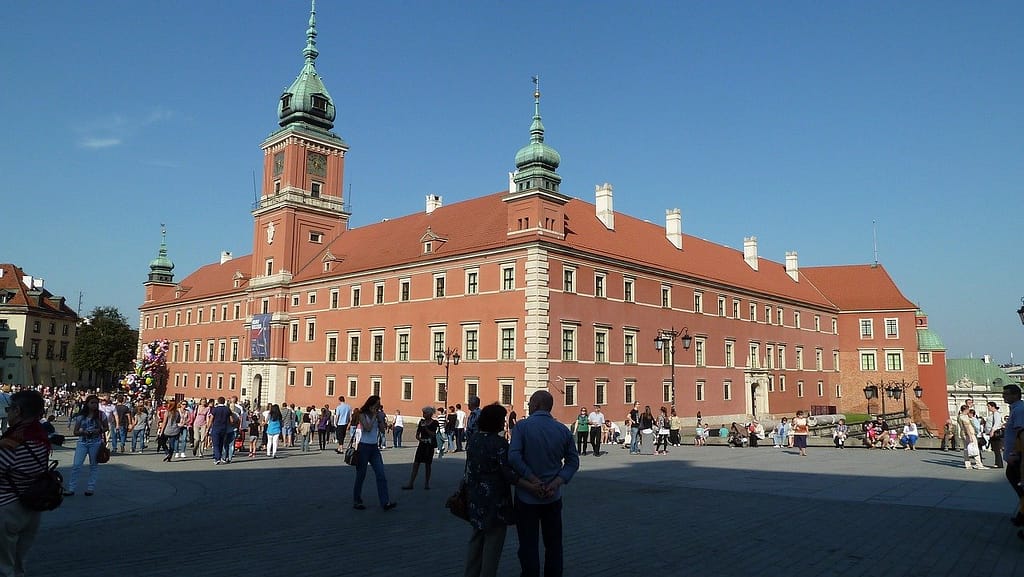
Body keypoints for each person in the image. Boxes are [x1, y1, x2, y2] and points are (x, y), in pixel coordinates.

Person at [464, 403, 542, 577]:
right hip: (495, 502)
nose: (503, 422)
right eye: (502, 419)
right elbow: (508, 473)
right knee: (493, 544)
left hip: (475, 498)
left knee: (476, 539)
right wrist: (531, 486)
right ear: (495, 421)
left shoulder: (474, 439)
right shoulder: (499, 443)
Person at [508, 391, 579, 577]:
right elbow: (573, 461)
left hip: (526, 497)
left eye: (530, 402)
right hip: (553, 496)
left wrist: (532, 479)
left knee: (528, 544)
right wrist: (556, 482)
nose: (529, 405)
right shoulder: (562, 429)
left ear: (537, 404)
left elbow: (514, 457)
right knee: (554, 544)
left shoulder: (522, 427)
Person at [0, 390, 50, 576]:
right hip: (31, 508)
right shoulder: (40, 436)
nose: (8, 413)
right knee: (19, 565)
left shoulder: (12, 442)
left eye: (9, 409)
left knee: (4, 566)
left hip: (7, 508)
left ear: (18, 410)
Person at [352, 395, 396, 511]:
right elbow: (367, 428)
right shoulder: (362, 415)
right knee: (361, 475)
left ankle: (385, 502)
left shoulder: (377, 416)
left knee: (381, 474)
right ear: (371, 404)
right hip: (363, 447)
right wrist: (374, 417)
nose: (378, 406)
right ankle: (357, 500)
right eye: (377, 404)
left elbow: (382, 430)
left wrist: (380, 420)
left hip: (374, 448)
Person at [66, 394, 108, 496]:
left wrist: (98, 430)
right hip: (82, 442)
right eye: (92, 403)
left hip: (95, 442)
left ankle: (90, 487)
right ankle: (71, 488)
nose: (94, 405)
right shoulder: (81, 416)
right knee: (76, 465)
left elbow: (106, 427)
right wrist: (84, 432)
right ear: (87, 404)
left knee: (93, 465)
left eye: (96, 403)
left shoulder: (101, 415)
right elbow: (75, 432)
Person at [1000, 384, 1023, 530]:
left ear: (1015, 395)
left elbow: (1021, 432)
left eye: (1006, 394)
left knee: (1021, 486)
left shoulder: (1019, 410)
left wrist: (1015, 452)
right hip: (1015, 457)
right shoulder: (1016, 409)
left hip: (1018, 457)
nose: (1003, 396)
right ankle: (1021, 514)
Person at [401, 407, 438, 490]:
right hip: (422, 445)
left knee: (428, 465)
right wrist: (420, 439)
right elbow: (417, 435)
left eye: (425, 413)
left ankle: (427, 483)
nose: (423, 414)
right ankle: (411, 483)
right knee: (416, 463)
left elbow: (433, 434)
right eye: (423, 413)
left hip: (429, 446)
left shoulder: (435, 423)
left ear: (430, 414)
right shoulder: (421, 422)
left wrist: (425, 428)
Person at [957, 404, 986, 470]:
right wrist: (970, 436)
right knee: (975, 448)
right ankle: (979, 464)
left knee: (966, 449)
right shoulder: (964, 417)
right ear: (966, 410)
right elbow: (967, 426)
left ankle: (967, 464)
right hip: (969, 434)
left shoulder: (959, 416)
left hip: (963, 433)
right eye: (968, 409)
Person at [985, 401, 1004, 468]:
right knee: (995, 449)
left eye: (989, 406)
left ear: (993, 406)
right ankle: (997, 463)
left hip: (995, 433)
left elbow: (997, 423)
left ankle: (999, 463)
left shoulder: (996, 414)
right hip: (992, 432)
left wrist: (992, 431)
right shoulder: (993, 414)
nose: (988, 408)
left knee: (996, 449)